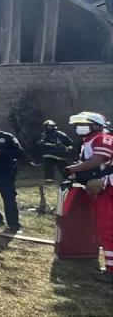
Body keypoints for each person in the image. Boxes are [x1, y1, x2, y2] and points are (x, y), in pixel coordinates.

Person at [64, 111, 113, 283]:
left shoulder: (103, 138)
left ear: (95, 125)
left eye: (82, 124)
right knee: (103, 228)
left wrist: (73, 169)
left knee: (108, 229)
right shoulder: (89, 141)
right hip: (98, 188)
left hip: (107, 188)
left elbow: (97, 160)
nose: (79, 128)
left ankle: (111, 270)